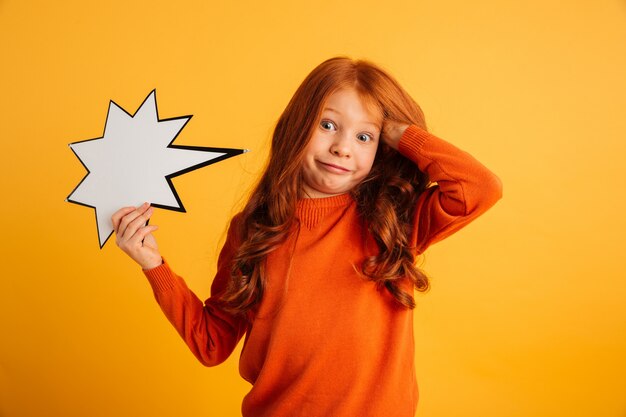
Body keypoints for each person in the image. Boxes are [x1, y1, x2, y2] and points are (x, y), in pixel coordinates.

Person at [112, 56, 502, 417]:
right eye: (328, 125)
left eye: (364, 137)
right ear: (298, 125)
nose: (341, 148)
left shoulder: (392, 220)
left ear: (382, 148)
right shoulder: (252, 229)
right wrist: (153, 265)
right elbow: (211, 344)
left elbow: (480, 187)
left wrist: (401, 133)